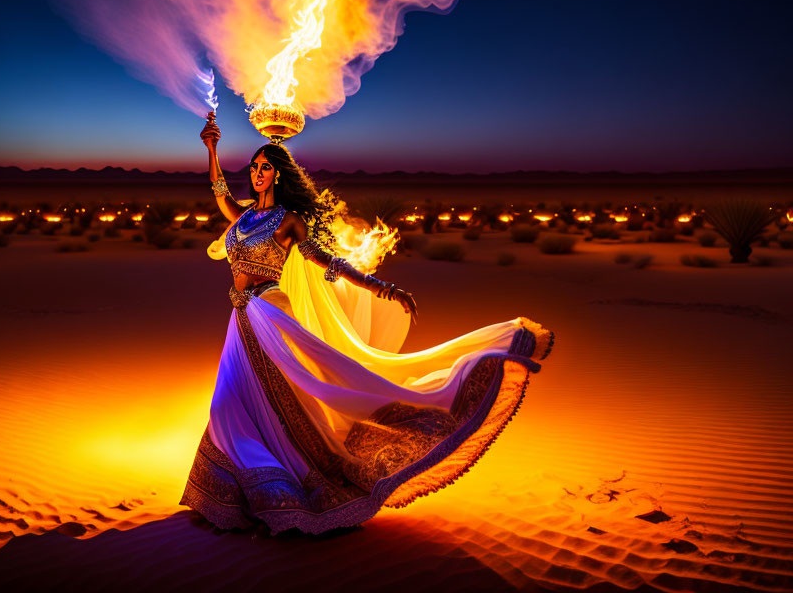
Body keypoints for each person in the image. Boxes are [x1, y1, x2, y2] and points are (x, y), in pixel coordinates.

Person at [179, 113, 554, 535]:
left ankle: (281, 485)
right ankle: (237, 490)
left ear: (280, 175)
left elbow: (328, 262)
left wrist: (384, 288)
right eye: (254, 166)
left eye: (267, 167)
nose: (258, 172)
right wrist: (211, 149)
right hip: (240, 316)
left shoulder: (288, 221)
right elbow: (220, 194)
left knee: (273, 401)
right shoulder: (242, 218)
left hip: (268, 312)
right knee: (234, 402)